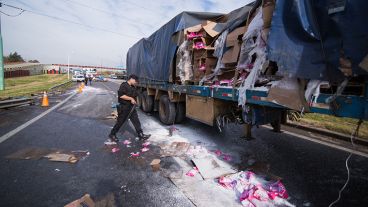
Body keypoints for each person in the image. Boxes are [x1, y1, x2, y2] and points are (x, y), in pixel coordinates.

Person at [109, 74, 150, 142]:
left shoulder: (133, 87)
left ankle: (141, 134)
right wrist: (130, 98)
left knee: (136, 121)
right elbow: (121, 96)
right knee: (120, 122)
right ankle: (112, 134)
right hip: (124, 107)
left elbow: (136, 94)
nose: (136, 82)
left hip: (131, 108)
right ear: (131, 79)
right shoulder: (124, 85)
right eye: (135, 81)